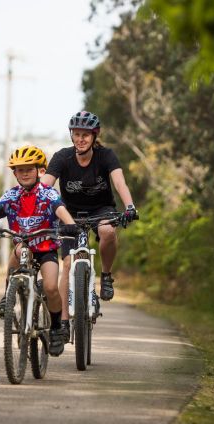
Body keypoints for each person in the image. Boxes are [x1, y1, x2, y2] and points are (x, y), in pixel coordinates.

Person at [0, 145, 75, 356]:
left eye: (29, 169)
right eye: (19, 170)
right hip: (24, 245)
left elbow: (60, 208)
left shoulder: (47, 193)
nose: (24, 173)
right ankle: (8, 295)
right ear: (14, 173)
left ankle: (55, 328)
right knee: (17, 252)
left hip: (46, 248)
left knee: (52, 286)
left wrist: (69, 223)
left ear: (40, 171)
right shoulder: (12, 195)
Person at [40, 110, 137, 342]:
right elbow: (45, 185)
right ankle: (63, 322)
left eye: (85, 135)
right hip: (69, 215)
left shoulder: (106, 156)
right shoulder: (62, 157)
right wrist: (35, 201)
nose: (80, 139)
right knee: (67, 263)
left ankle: (105, 275)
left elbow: (119, 181)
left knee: (107, 231)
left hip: (101, 210)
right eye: (76, 134)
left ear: (95, 136)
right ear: (71, 135)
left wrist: (130, 206)